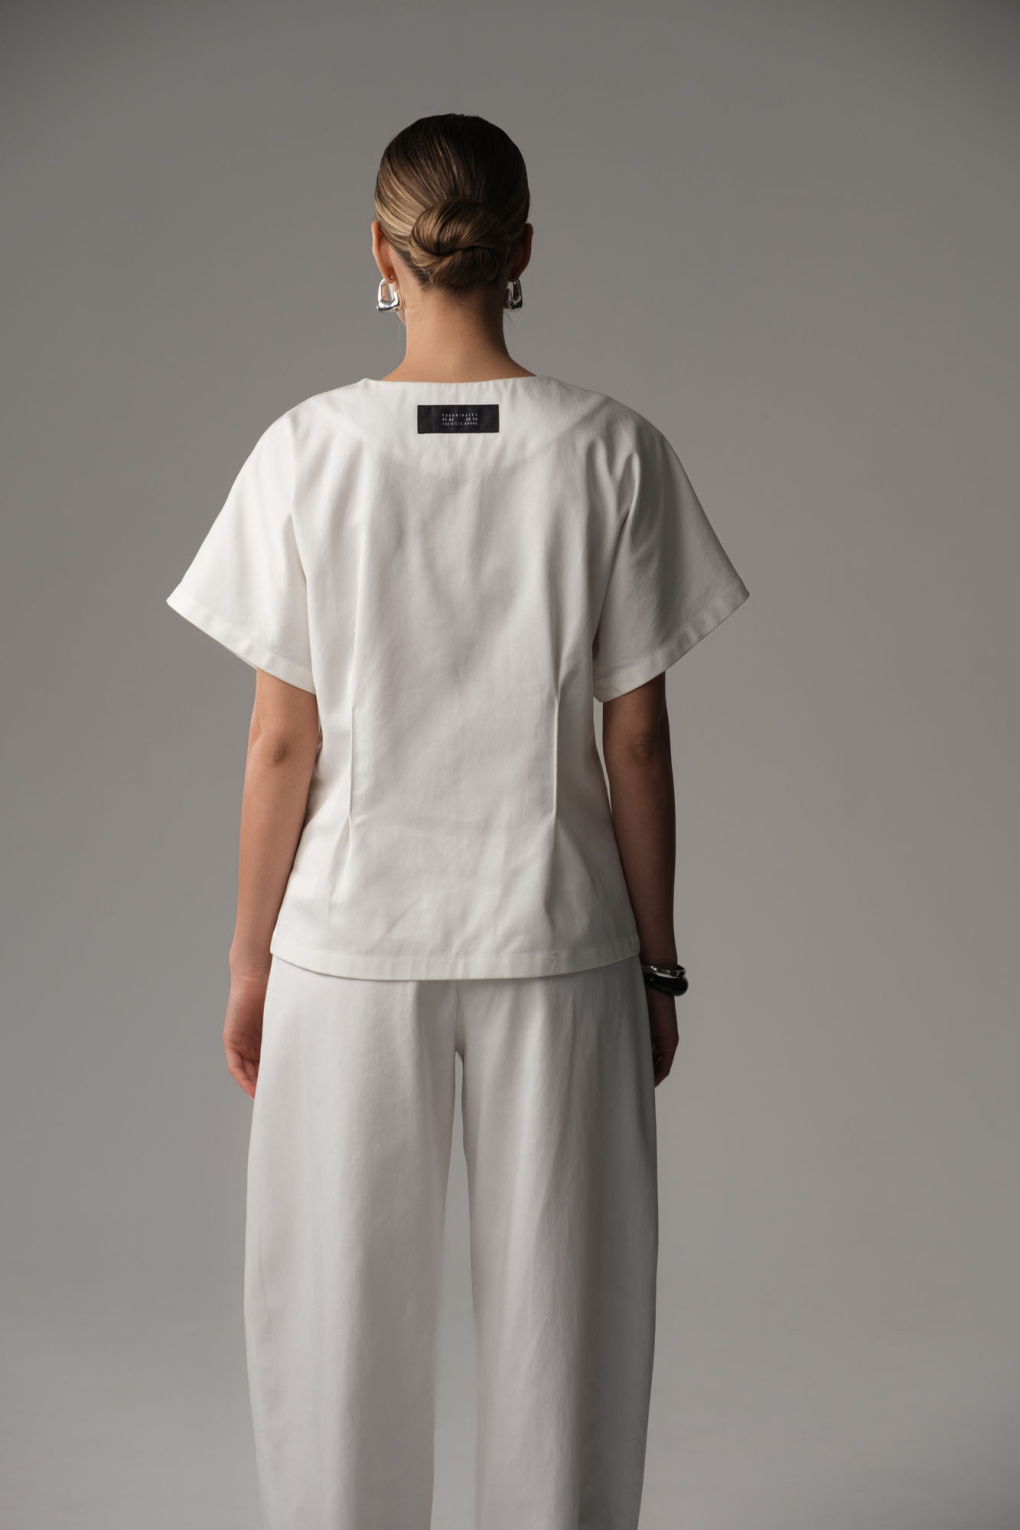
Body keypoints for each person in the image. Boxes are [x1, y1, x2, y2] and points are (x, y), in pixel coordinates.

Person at [166, 113, 749, 1530]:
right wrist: (657, 963)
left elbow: (282, 740)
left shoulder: (308, 451)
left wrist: (247, 964)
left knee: (332, 1332)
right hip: (559, 939)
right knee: (571, 1330)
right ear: (524, 250)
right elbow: (635, 736)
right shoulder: (612, 451)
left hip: (346, 944)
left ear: (381, 253)